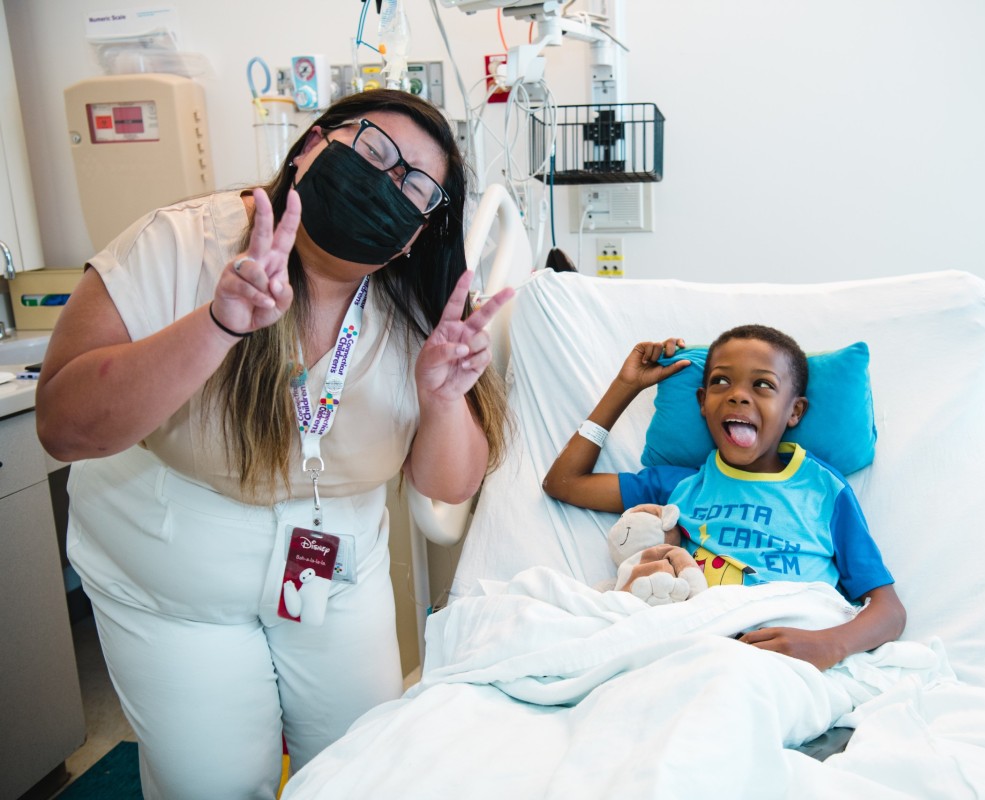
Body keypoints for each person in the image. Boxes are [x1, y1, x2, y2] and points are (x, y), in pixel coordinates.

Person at [35, 90, 513, 799]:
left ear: (418, 232)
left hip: (332, 573)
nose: (388, 183)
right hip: (174, 581)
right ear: (313, 145)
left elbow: (449, 485)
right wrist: (218, 326)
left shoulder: (420, 302)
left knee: (362, 769)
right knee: (216, 785)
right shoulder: (179, 244)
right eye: (373, 150)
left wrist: (443, 401)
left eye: (416, 185)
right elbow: (63, 425)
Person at [542, 325, 906, 671]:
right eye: (720, 382)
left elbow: (888, 610)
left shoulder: (824, 489)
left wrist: (829, 644)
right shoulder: (681, 486)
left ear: (794, 411)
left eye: (762, 384)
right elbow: (564, 481)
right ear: (702, 402)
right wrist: (625, 386)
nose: (737, 394)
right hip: (697, 640)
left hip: (788, 643)